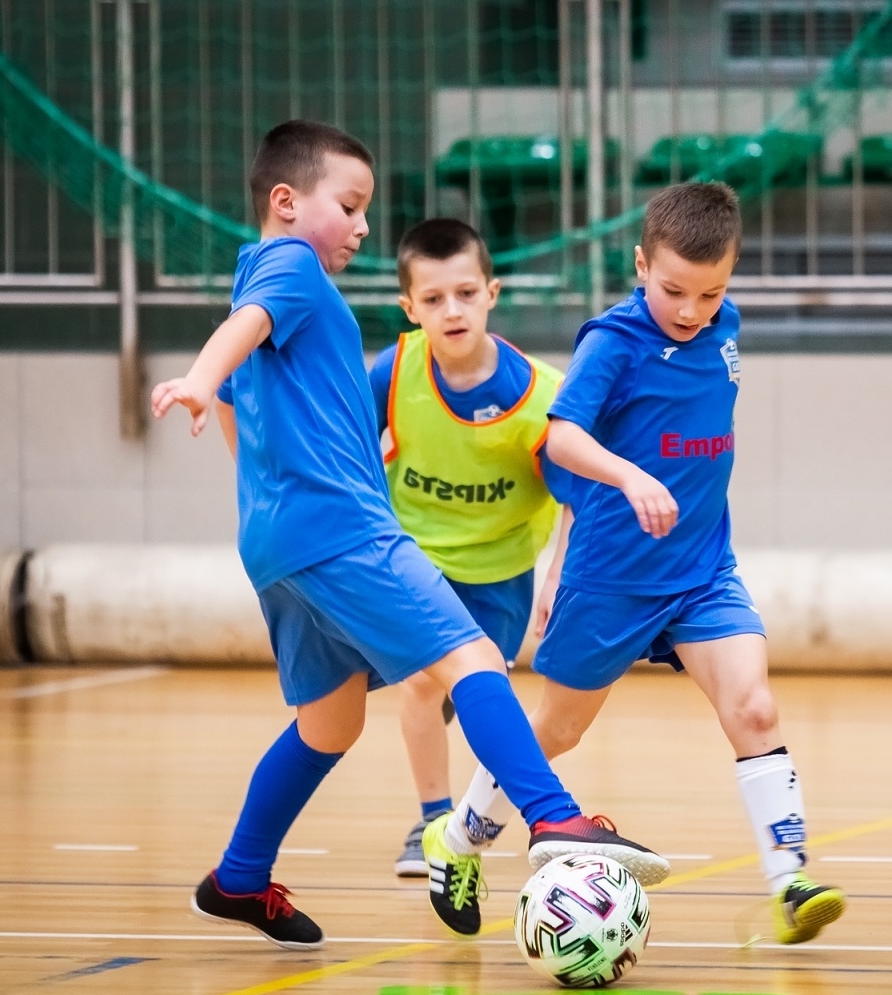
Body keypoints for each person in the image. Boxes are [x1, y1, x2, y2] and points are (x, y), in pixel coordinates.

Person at [150, 120, 667, 948]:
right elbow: (240, 335)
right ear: (285, 202)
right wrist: (201, 380)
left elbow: (256, 395)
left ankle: (240, 876)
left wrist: (253, 468)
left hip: (277, 539)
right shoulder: (290, 266)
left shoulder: (268, 277)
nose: (361, 226)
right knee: (471, 661)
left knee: (330, 724)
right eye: (350, 205)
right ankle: (556, 820)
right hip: (342, 529)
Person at [424, 182, 846, 945]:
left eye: (711, 292)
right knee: (553, 731)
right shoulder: (610, 343)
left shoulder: (725, 326)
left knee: (753, 708)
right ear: (640, 263)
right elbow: (560, 438)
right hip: (613, 575)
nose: (690, 309)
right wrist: (630, 474)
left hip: (702, 572)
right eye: (673, 289)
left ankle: (791, 881)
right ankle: (457, 843)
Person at [368, 217, 576, 880]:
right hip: (417, 562)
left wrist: (557, 579)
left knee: (482, 693)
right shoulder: (392, 372)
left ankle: (466, 823)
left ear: (492, 291)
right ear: (409, 308)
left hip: (503, 572)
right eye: (432, 299)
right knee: (422, 682)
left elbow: (580, 497)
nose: (451, 310)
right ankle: (431, 823)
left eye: (464, 293)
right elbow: (346, 458)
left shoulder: (541, 395)